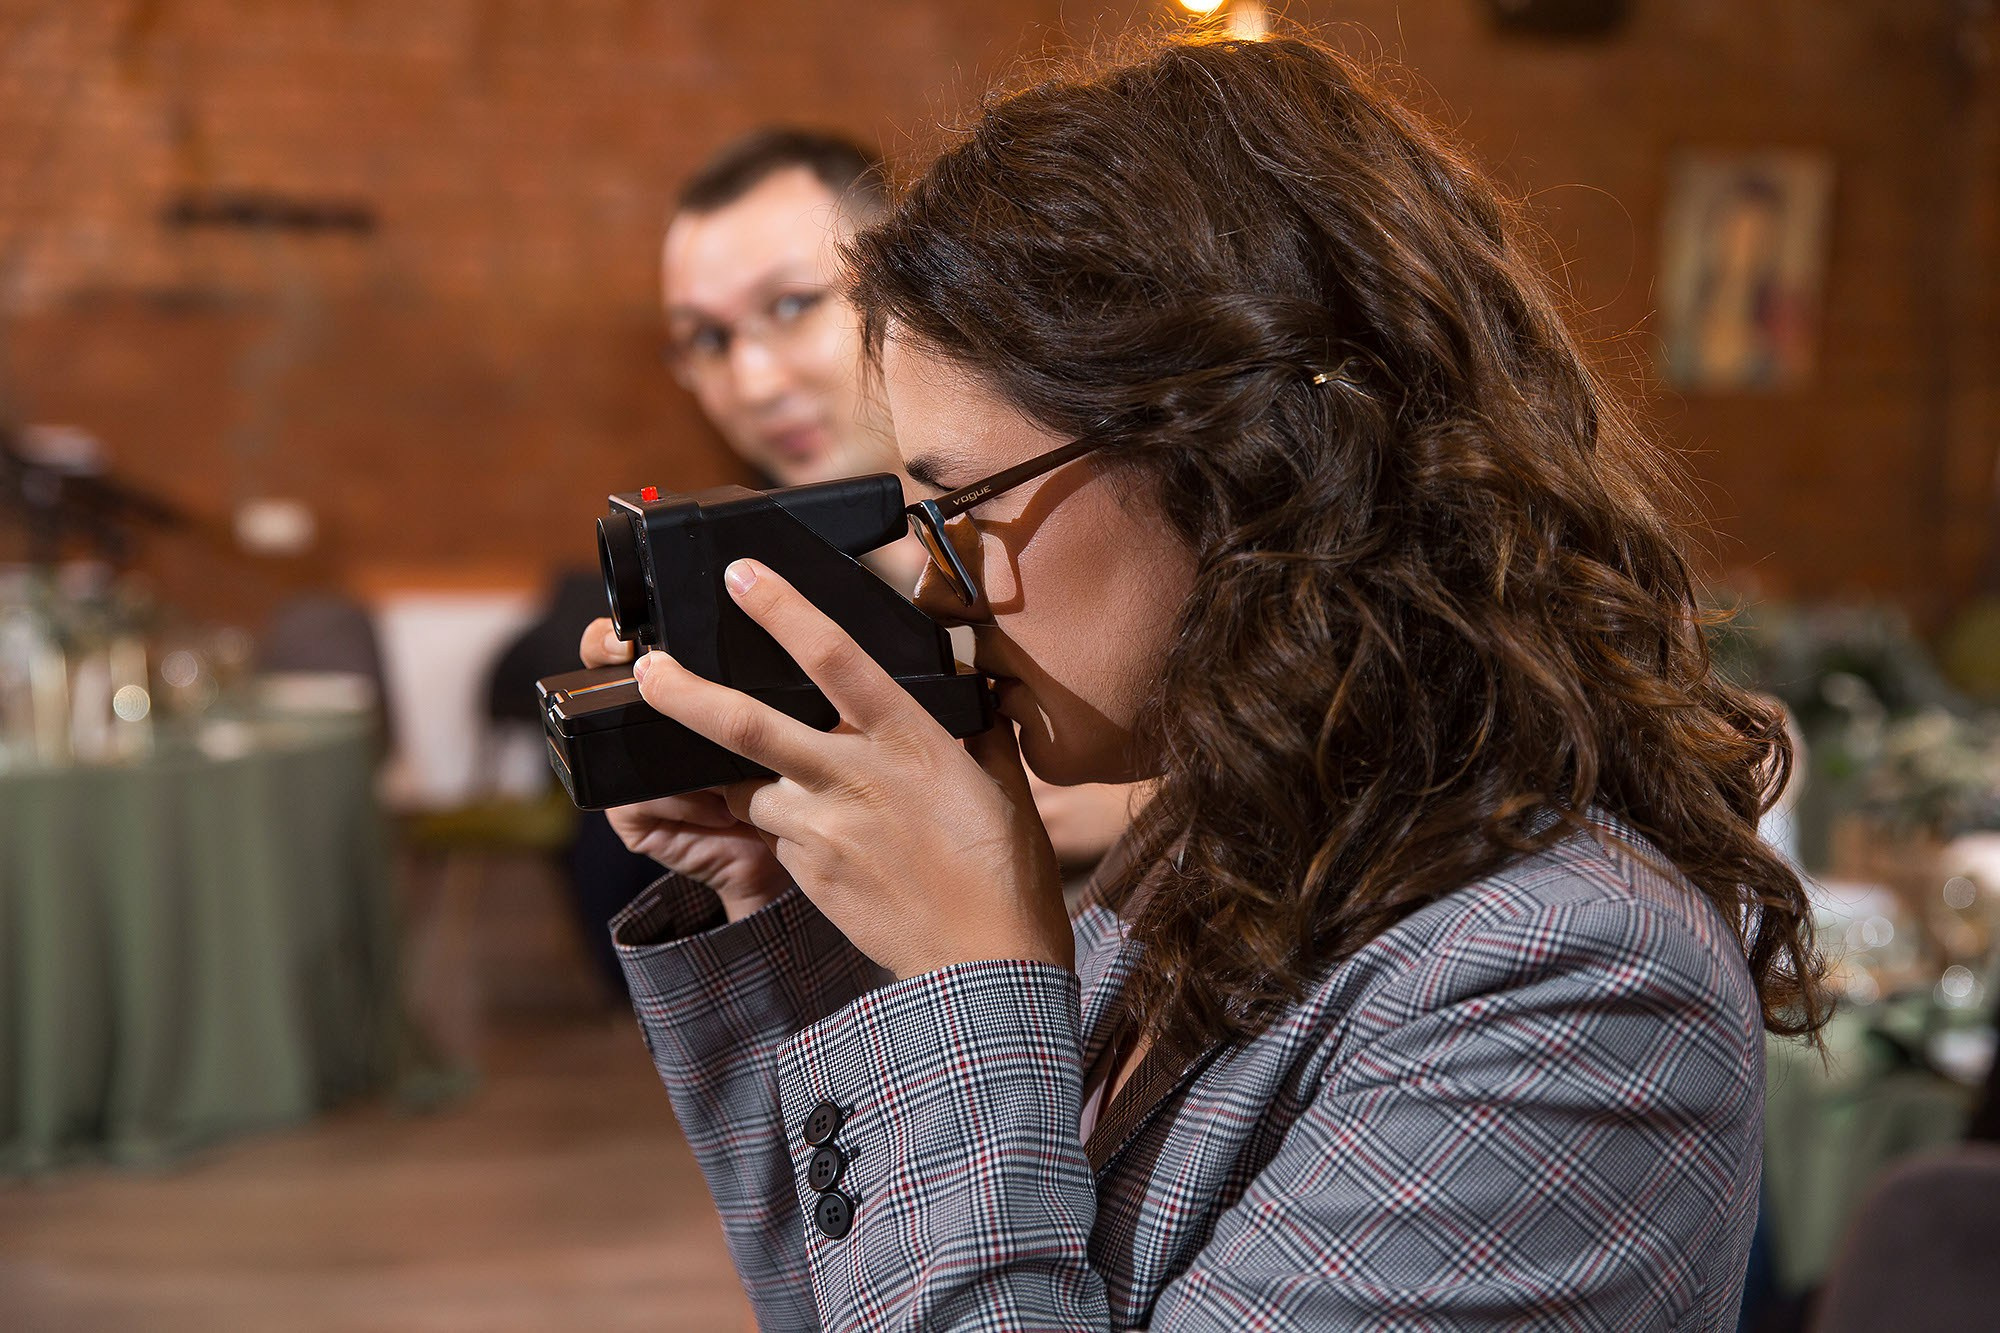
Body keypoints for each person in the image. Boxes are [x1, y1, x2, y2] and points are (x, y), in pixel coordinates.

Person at [582, 31, 1827, 1330]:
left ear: (1235, 465)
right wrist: (785, 897)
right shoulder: (1223, 841)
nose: (944, 592)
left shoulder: (1566, 982)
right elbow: (868, 1298)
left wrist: (970, 978)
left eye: (965, 510)